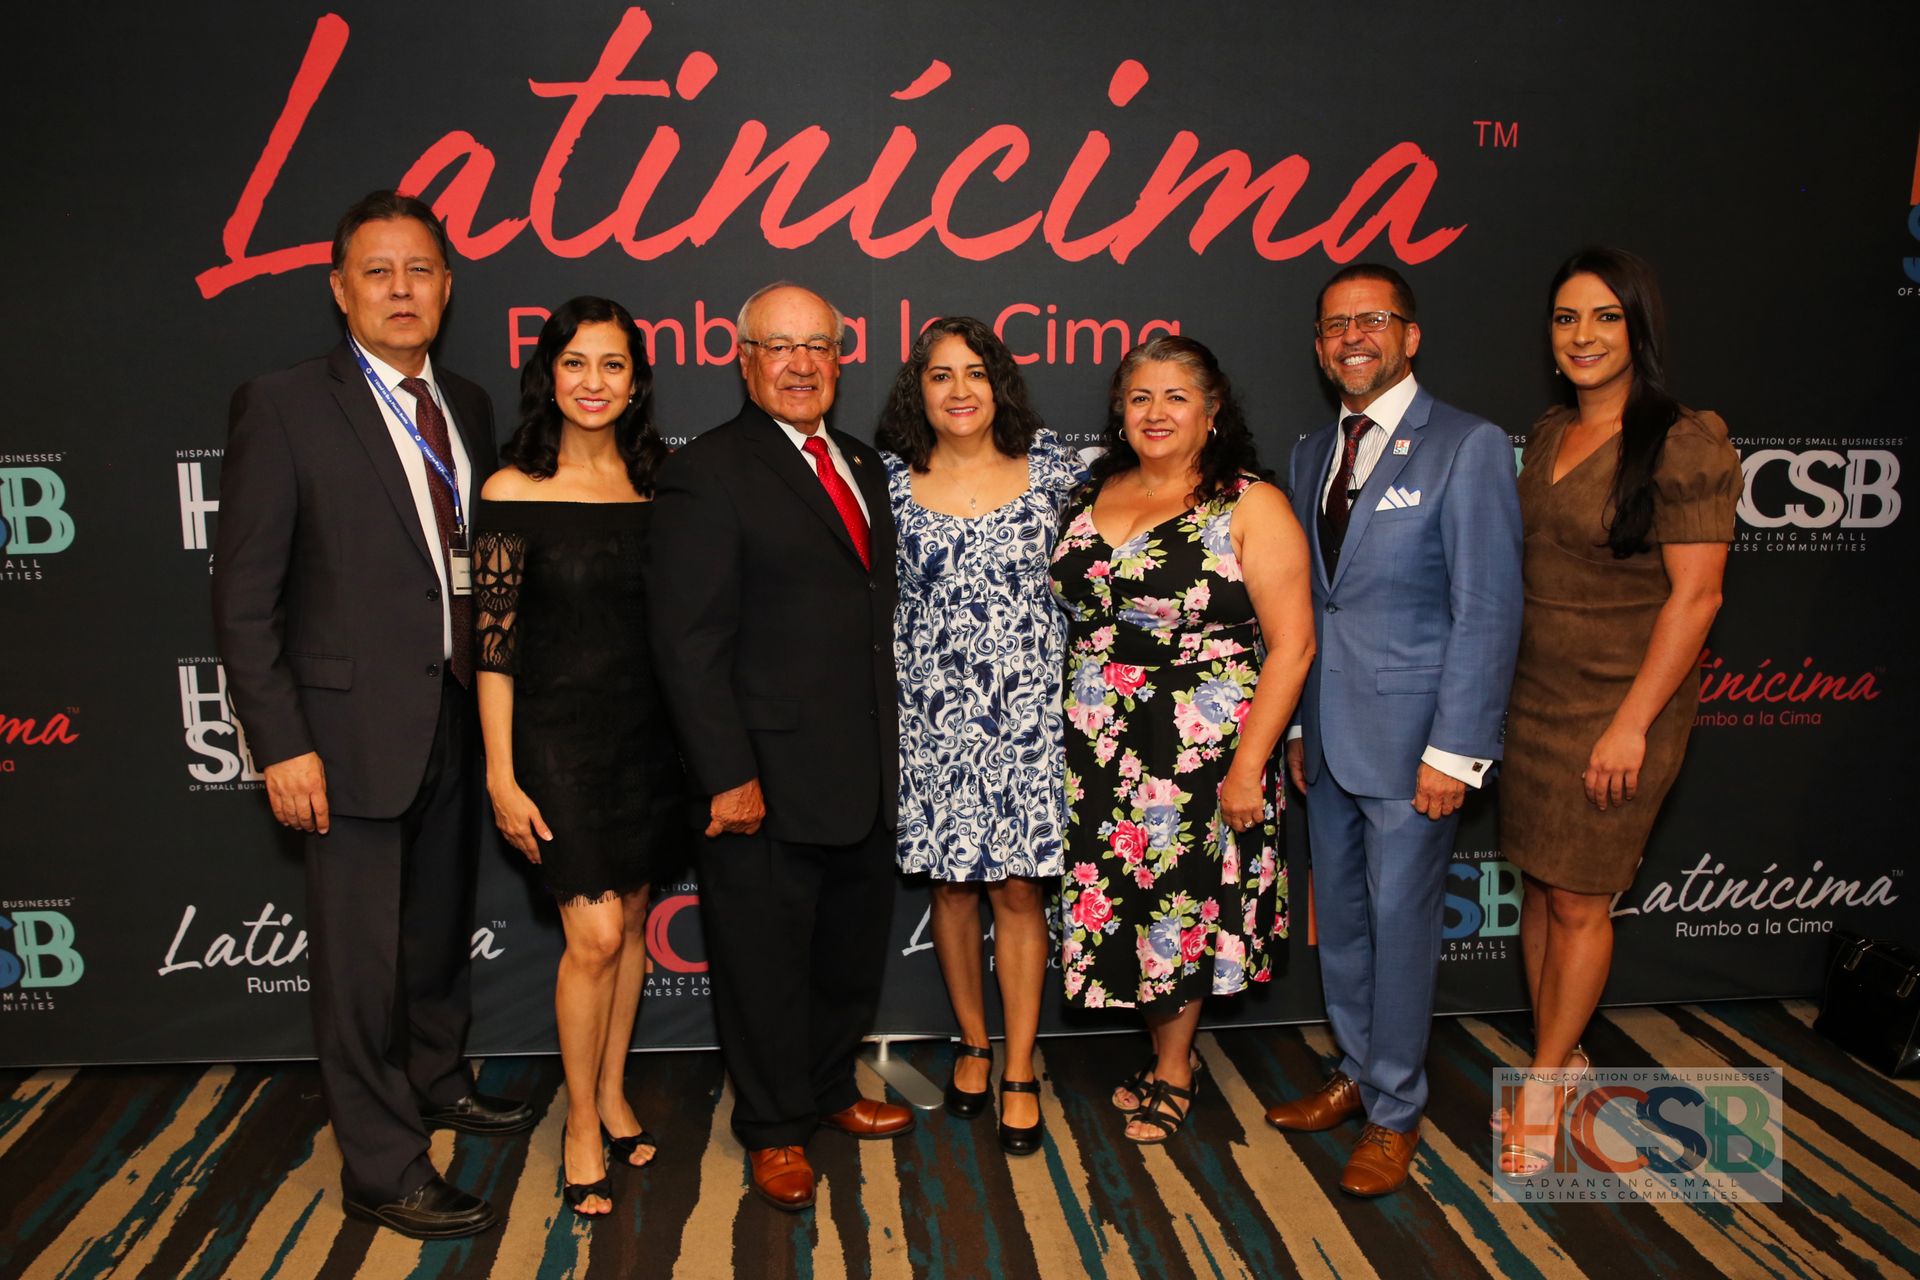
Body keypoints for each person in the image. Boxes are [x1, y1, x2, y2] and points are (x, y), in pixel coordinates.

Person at [211, 191, 533, 1240]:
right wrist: (281, 742)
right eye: (379, 271)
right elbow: (244, 595)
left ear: (447, 287)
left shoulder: (467, 405)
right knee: (360, 963)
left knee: (434, 932)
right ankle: (382, 1163)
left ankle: (436, 1078)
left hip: (454, 714)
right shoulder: (283, 404)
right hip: (343, 733)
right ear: (340, 289)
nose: (403, 289)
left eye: (421, 270)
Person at [645, 282, 909, 1212]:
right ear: (745, 360)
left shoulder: (863, 464)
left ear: (840, 358)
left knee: (847, 954)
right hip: (761, 777)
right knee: (761, 964)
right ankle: (770, 1127)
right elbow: (687, 643)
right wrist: (727, 775)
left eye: (817, 347)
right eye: (779, 347)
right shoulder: (706, 472)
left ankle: (829, 1088)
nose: (801, 365)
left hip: (864, 770)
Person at [1263, 264, 1522, 1198]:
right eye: (1335, 325)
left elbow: (1487, 609)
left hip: (1418, 748)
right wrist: (1299, 729)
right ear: (1319, 346)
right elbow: (1309, 606)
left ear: (1410, 336)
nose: (1352, 338)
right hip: (1328, 740)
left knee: (1402, 930)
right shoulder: (1310, 452)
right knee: (1344, 927)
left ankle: (1396, 1111)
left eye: (1372, 320)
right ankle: (1358, 1071)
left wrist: (1456, 749)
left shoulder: (1468, 445)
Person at [1496, 248, 1736, 1177]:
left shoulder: (1684, 442)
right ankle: (1558, 1053)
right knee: (1541, 887)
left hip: (1624, 701)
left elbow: (1697, 599)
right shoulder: (1551, 431)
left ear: (1639, 327)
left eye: (1604, 316)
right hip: (1535, 695)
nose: (1583, 335)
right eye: (1566, 318)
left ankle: (1546, 1081)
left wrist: (1632, 722)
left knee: (1581, 898)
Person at [1050, 335, 1315, 1145]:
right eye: (1139, 398)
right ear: (1119, 412)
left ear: (1212, 410)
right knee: (1125, 899)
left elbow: (1293, 645)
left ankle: (1173, 1068)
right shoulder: (1094, 490)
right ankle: (1169, 1051)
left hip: (1199, 746)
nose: (1155, 412)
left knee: (1180, 902)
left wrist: (1248, 767)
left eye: (1175, 397)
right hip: (1098, 743)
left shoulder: (1250, 504)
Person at [471, 297, 689, 1215]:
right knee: (593, 937)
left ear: (636, 383)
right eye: (575, 363)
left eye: (612, 365)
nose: (593, 382)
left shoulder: (660, 485)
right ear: (548, 376)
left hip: (651, 738)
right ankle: (581, 1124)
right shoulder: (508, 490)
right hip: (555, 742)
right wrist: (500, 772)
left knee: (632, 923)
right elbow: (493, 647)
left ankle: (611, 1090)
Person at [874, 317, 1079, 1156]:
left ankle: (1020, 1067)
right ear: (917, 391)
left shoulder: (1057, 471)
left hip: (1030, 715)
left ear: (1000, 384)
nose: (960, 390)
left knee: (1021, 892)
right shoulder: (887, 483)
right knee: (953, 889)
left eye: (975, 373)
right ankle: (972, 1044)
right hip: (932, 718)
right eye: (940, 375)